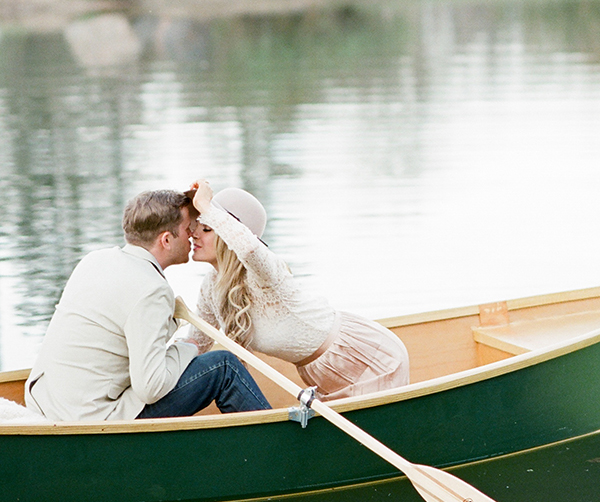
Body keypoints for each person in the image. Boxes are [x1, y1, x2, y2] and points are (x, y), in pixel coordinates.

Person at [25, 189, 270, 422]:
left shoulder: (95, 259)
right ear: (166, 240)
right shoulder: (151, 289)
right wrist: (187, 348)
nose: (193, 233)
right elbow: (150, 387)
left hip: (45, 401)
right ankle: (280, 445)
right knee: (223, 365)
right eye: (188, 228)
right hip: (93, 418)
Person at [188, 180, 410, 400]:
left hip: (366, 357)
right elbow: (196, 344)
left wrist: (207, 206)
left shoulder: (265, 272)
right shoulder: (211, 287)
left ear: (229, 237)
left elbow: (248, 249)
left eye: (206, 228)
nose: (194, 234)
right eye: (197, 226)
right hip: (322, 373)